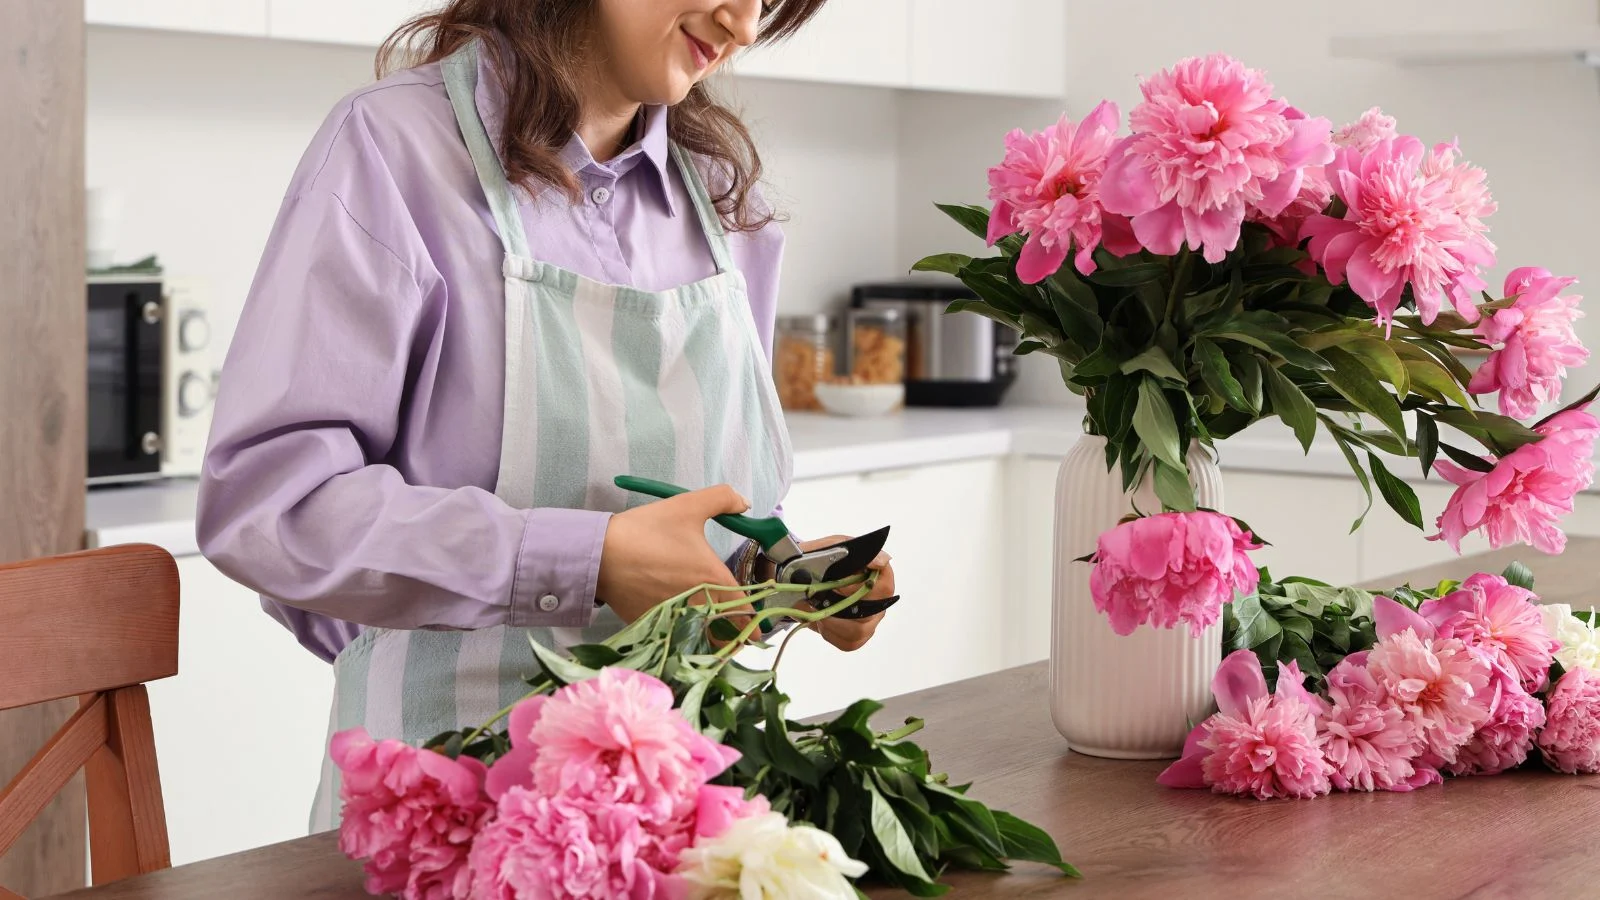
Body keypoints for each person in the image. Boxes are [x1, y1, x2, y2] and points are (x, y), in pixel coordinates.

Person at [194, 0, 898, 830]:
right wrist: (584, 560)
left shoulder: (723, 202)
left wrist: (776, 577)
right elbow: (270, 507)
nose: (742, 25)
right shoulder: (395, 152)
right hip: (447, 814)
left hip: (684, 813)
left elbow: (715, 509)